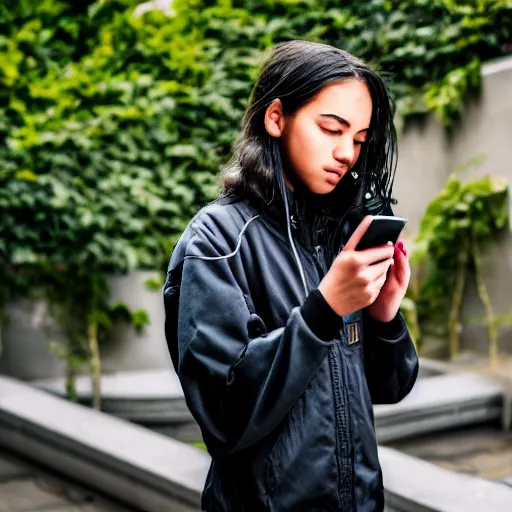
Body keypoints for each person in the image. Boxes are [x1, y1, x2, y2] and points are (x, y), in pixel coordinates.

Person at [164, 40, 418, 512]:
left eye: (360, 140)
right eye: (331, 129)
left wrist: (384, 318)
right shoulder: (218, 240)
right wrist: (325, 311)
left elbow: (392, 386)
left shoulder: (340, 235)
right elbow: (223, 415)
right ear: (276, 118)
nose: (347, 153)